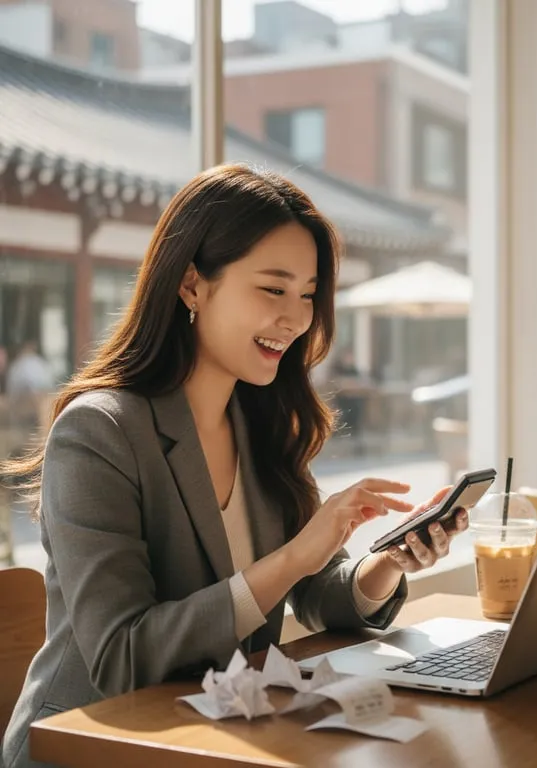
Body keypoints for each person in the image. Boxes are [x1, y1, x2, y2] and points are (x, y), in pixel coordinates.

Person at [0, 164, 468, 768]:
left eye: (307, 294)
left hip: (218, 735)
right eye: (273, 289)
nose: (297, 318)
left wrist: (384, 563)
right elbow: (122, 657)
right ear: (192, 285)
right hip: (94, 747)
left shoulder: (264, 421)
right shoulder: (100, 431)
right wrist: (298, 553)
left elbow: (314, 594)